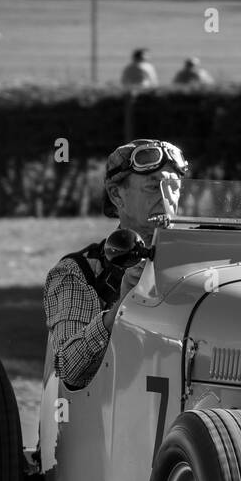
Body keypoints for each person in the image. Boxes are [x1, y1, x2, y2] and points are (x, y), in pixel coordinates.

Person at [43, 139, 187, 389]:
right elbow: (69, 369)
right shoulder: (78, 272)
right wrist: (123, 305)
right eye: (153, 187)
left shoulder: (204, 259)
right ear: (116, 194)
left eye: (173, 187)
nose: (167, 199)